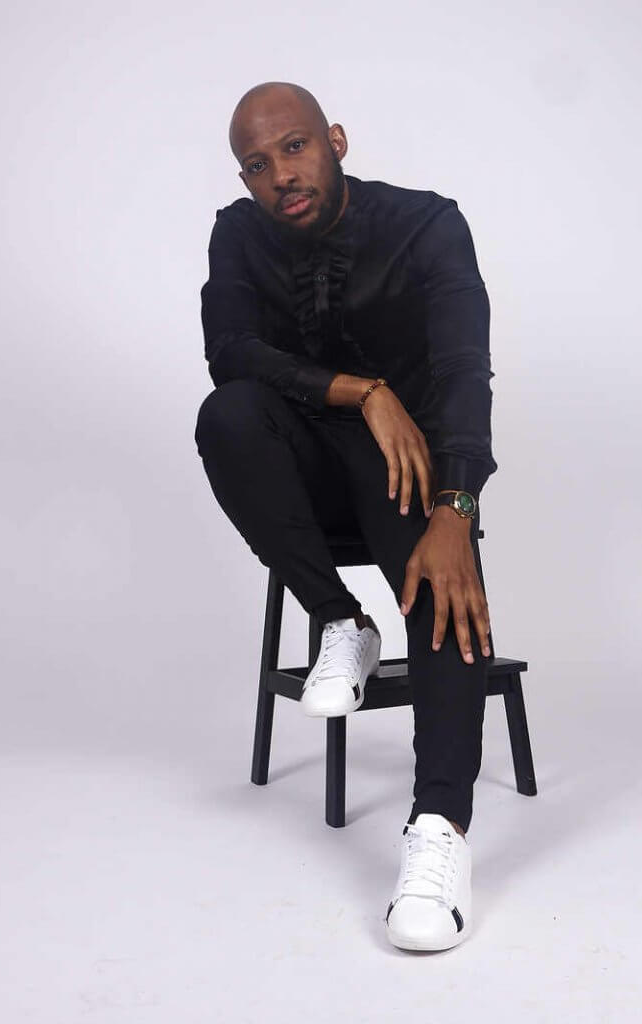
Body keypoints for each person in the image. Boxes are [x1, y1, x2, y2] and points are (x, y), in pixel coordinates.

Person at [194, 81, 498, 952]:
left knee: (440, 579)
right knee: (228, 414)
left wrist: (457, 506)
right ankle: (339, 621)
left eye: (294, 148)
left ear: (335, 139)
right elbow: (230, 353)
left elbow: (465, 369)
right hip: (298, 478)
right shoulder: (238, 232)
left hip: (409, 475)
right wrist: (364, 391)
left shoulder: (426, 224)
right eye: (258, 164)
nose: (280, 175)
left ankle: (439, 828)